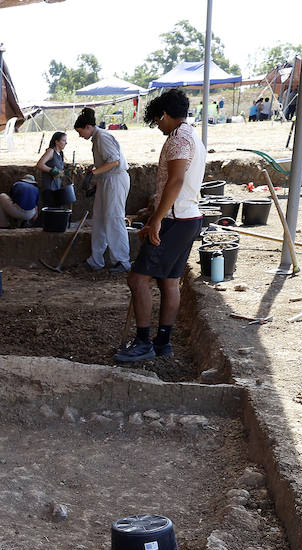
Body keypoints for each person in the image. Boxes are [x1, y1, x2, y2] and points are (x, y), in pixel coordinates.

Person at [120, 88, 206, 363]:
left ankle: (144, 342)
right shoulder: (192, 136)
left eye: (158, 120)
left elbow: (176, 181)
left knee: (137, 279)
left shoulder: (179, 139)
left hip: (175, 219)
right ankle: (163, 342)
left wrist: (156, 220)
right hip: (186, 217)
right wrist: (154, 215)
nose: (158, 125)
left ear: (166, 114)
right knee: (169, 281)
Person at [75, 107, 131, 273]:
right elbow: (105, 164)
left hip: (116, 179)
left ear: (88, 127)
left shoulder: (103, 137)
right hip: (107, 180)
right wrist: (97, 182)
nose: (80, 136)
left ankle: (122, 261)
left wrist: (93, 173)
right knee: (99, 219)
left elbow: (114, 161)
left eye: (80, 132)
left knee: (114, 218)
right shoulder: (96, 138)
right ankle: (96, 260)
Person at [35, 132, 75, 210]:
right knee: (50, 213)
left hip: (56, 189)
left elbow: (59, 174)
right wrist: (52, 171)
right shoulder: (50, 151)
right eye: (63, 140)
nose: (66, 143)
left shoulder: (60, 155)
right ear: (56, 141)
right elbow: (40, 164)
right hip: (49, 189)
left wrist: (69, 171)